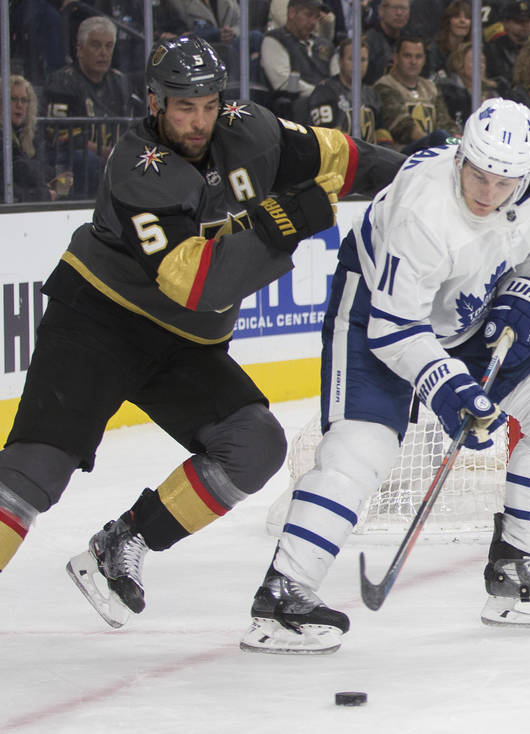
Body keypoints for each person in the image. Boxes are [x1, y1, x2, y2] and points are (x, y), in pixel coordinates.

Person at [0, 36, 402, 628]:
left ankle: (122, 543)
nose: (197, 120)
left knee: (254, 445)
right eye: (183, 106)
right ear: (154, 102)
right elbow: (196, 286)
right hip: (99, 322)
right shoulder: (138, 168)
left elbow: (345, 157)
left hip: (184, 344)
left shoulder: (252, 131)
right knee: (33, 477)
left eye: (209, 104)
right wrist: (282, 223)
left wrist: (436, 185)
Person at [241, 98, 530, 654]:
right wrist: (449, 389)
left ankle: (516, 570)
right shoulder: (424, 211)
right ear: (460, 158)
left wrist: (529, 294)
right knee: (363, 448)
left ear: (525, 174)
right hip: (376, 312)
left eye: (504, 182)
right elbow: (394, 328)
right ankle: (284, 594)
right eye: (477, 175)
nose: (487, 192)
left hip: (467, 311)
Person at [44, 16, 144, 200]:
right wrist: (105, 152)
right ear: (80, 49)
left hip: (111, 153)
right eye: (96, 45)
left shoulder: (120, 81)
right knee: (90, 162)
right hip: (68, 159)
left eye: (108, 46)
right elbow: (58, 134)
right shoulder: (62, 81)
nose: (103, 53)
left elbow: (134, 123)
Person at [374, 36, 461, 153]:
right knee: (440, 137)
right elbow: (401, 126)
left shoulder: (430, 87)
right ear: (395, 58)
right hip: (402, 153)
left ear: (424, 59)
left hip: (435, 148)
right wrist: (435, 141)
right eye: (407, 56)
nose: (413, 62)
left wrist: (456, 138)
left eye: (418, 57)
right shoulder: (385, 85)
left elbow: (444, 121)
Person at [307, 38, 392, 145]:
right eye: (352, 59)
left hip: (369, 158)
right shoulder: (325, 91)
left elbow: (382, 132)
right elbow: (324, 135)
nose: (358, 65)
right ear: (340, 61)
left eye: (363, 60)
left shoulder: (372, 94)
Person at [4, 75, 66, 202]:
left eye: (24, 100)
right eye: (13, 99)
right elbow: (18, 170)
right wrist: (43, 194)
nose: (19, 105)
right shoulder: (3, 137)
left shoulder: (29, 134)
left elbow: (47, 169)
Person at [260, 0, 337, 101]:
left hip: (329, 104)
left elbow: (338, 77)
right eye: (309, 15)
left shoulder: (325, 45)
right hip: (294, 105)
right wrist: (320, 92)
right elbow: (283, 82)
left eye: (317, 17)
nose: (313, 22)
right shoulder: (275, 39)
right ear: (292, 13)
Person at [436, 42, 505, 130]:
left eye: (482, 61)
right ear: (460, 64)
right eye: (474, 61)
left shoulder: (493, 94)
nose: (480, 66)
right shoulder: (448, 93)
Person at [484, 1, 530, 89]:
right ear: (506, 23)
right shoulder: (493, 50)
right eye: (519, 21)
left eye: (528, 21)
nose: (525, 25)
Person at [363, 0, 412, 84]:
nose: (399, 13)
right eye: (394, 8)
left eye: (404, 8)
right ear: (381, 11)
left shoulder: (411, 41)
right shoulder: (367, 43)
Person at [426, 0, 472, 79]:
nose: (462, 21)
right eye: (457, 16)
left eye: (467, 17)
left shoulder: (473, 51)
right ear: (448, 21)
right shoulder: (434, 50)